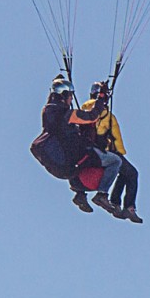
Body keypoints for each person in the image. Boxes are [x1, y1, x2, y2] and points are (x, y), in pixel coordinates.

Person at [41, 75, 123, 214]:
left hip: (67, 159)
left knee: (81, 160)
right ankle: (102, 195)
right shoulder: (66, 114)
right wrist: (101, 99)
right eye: (70, 96)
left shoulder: (47, 111)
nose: (72, 99)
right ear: (64, 95)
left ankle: (80, 194)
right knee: (115, 161)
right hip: (78, 153)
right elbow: (92, 116)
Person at [80, 81, 143, 223]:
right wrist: (120, 152)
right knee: (132, 173)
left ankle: (116, 202)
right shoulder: (95, 108)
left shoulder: (93, 111)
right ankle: (127, 206)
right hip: (101, 152)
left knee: (126, 172)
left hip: (100, 151)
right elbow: (115, 137)